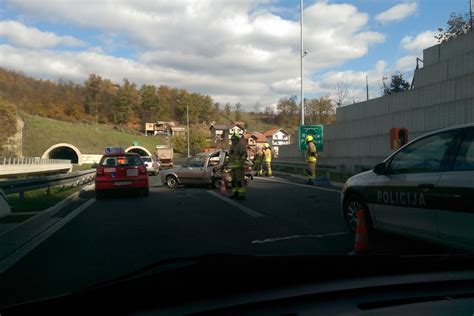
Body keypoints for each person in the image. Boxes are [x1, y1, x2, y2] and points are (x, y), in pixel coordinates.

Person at [226, 131, 248, 199]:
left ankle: (242, 194)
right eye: (232, 139)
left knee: (239, 181)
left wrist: (241, 162)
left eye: (233, 139)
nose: (232, 141)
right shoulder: (231, 146)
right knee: (233, 181)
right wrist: (225, 164)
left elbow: (244, 154)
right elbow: (229, 157)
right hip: (233, 167)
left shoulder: (241, 145)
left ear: (237, 139)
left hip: (239, 166)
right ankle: (236, 193)